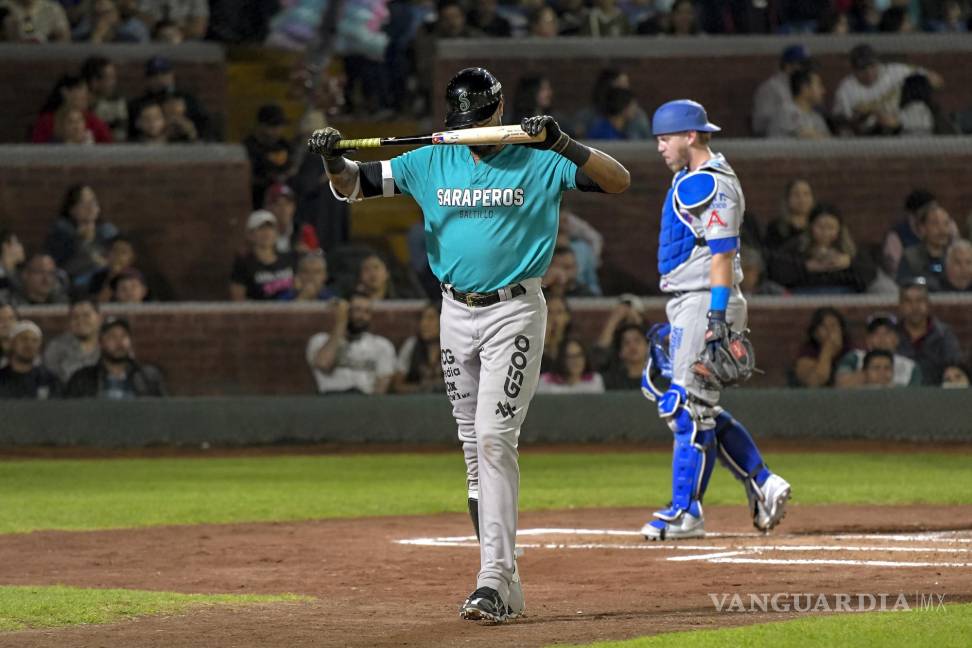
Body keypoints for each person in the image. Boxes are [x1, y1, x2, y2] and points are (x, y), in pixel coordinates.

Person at [307, 66, 629, 623]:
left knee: (493, 436)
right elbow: (355, 185)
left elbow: (619, 179)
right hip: (455, 311)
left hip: (515, 310)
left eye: (478, 120)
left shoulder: (539, 155)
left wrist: (561, 142)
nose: (470, 130)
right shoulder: (431, 157)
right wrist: (334, 159)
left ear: (497, 112)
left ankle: (494, 581)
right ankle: (506, 582)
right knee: (473, 451)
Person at [640, 99, 791, 542]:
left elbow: (723, 254)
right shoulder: (691, 178)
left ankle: (686, 513)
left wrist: (718, 319)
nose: (660, 148)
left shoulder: (706, 183)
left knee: (686, 408)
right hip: (691, 298)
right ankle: (763, 481)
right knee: (671, 388)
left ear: (691, 136)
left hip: (705, 300)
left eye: (665, 138)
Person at [833, 44, 944, 136]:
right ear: (853, 70)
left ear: (877, 63)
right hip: (872, 135)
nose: (869, 72)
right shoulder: (845, 90)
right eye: (863, 69)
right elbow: (842, 124)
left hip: (903, 123)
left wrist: (928, 81)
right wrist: (870, 114)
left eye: (872, 66)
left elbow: (937, 80)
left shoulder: (893, 71)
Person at [771, 203, 876, 294]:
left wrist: (849, 264)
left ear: (839, 229)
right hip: (804, 293)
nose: (825, 233)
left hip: (844, 293)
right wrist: (806, 267)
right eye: (820, 227)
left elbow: (869, 273)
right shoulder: (796, 246)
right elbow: (777, 269)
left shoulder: (851, 250)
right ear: (811, 227)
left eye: (831, 228)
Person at [305, 292, 397, 395]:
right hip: (330, 399)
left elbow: (381, 387)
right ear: (346, 312)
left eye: (367, 312)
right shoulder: (319, 340)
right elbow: (323, 364)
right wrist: (341, 323)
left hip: (364, 401)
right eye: (357, 310)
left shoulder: (382, 345)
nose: (362, 316)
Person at [65, 316, 166, 398]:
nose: (119, 342)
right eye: (112, 336)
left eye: (124, 336)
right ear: (101, 343)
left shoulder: (148, 377)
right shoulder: (83, 379)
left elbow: (163, 413)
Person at [45, 184, 119, 290]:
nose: (90, 207)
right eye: (83, 203)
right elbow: (60, 263)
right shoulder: (61, 231)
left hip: (105, 284)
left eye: (93, 201)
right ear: (72, 208)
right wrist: (82, 240)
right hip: (72, 284)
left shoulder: (107, 230)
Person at [896, 278, 964, 385]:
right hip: (899, 396)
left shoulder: (944, 335)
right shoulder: (892, 335)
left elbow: (956, 368)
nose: (915, 307)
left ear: (928, 304)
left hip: (937, 396)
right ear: (900, 305)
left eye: (919, 300)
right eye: (908, 301)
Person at [834, 312, 921, 388]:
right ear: (868, 339)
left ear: (896, 339)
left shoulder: (910, 367)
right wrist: (867, 377)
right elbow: (840, 385)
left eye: (887, 333)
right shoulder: (854, 357)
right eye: (875, 333)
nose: (881, 338)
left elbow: (916, 398)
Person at [229, 210, 297, 301]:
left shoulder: (288, 258)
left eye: (270, 228)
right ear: (250, 234)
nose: (266, 233)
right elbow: (238, 300)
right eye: (261, 229)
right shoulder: (243, 264)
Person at [31, 74, 112, 144]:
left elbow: (110, 149)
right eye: (80, 90)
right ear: (65, 92)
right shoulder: (46, 122)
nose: (85, 95)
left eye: (86, 91)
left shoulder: (94, 122)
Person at [752, 44, 812, 137]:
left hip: (801, 137)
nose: (806, 69)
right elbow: (759, 126)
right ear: (788, 65)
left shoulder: (804, 86)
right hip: (776, 140)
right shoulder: (770, 88)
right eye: (802, 65)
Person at [42, 297, 102, 384]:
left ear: (99, 318)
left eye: (86, 315)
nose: (80, 321)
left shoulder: (110, 345)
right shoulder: (56, 347)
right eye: (75, 317)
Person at [392, 302, 444, 394]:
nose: (424, 324)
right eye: (422, 318)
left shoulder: (454, 347)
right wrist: (422, 389)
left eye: (430, 318)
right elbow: (397, 386)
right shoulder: (411, 345)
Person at [897, 201, 954, 287]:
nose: (942, 230)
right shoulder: (910, 256)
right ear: (922, 228)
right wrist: (925, 282)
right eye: (935, 224)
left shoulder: (956, 255)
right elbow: (905, 281)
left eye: (946, 224)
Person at [0, 320, 61, 399]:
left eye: (35, 341)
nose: (29, 345)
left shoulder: (50, 380)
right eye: (24, 339)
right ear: (12, 343)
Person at [791, 306, 849, 388]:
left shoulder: (852, 350)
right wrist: (827, 351)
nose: (830, 331)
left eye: (833, 326)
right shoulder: (807, 354)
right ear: (815, 333)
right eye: (824, 327)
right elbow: (816, 381)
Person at [766, 69, 831, 139]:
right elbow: (807, 136)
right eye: (819, 86)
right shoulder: (785, 111)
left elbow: (829, 141)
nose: (823, 91)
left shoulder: (817, 117)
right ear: (804, 88)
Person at [80, 56, 129, 142]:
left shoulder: (117, 103)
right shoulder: (76, 106)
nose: (114, 82)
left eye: (114, 77)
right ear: (94, 81)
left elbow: (120, 137)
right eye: (110, 77)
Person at [537, 338, 605, 393]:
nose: (575, 361)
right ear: (562, 360)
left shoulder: (595, 381)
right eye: (570, 357)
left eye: (579, 355)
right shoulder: (546, 381)